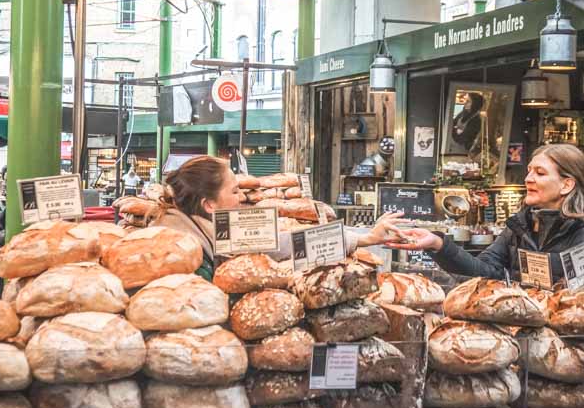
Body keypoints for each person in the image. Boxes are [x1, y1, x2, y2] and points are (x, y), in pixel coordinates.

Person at [153, 155, 402, 281]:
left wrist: (366, 238)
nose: (242, 197)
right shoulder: (180, 247)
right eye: (234, 191)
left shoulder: (215, 230)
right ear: (209, 205)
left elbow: (288, 244)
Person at [382, 143, 584, 284]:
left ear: (567, 184)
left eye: (540, 173)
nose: (528, 178)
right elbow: (485, 272)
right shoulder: (519, 226)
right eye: (529, 171)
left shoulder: (579, 232)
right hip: (523, 332)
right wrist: (438, 245)